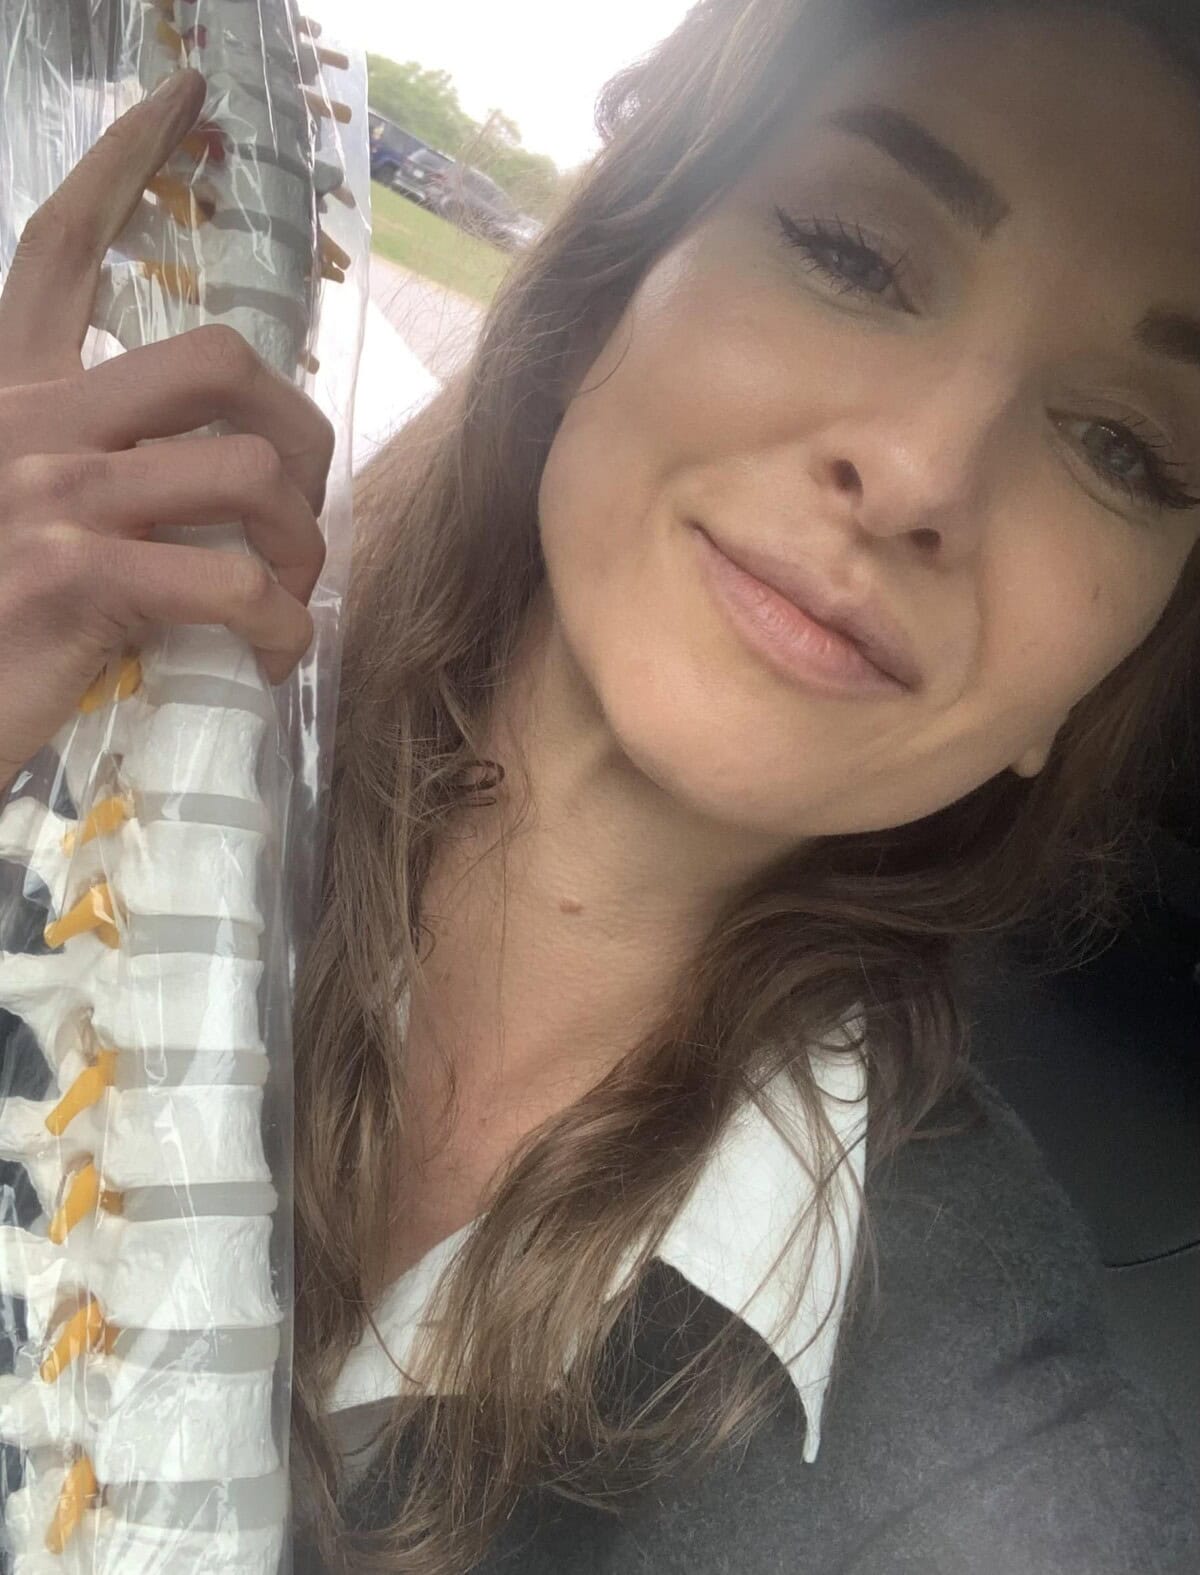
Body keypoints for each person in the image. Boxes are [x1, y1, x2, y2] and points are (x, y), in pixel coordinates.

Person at [1, 0, 1199, 1569]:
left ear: (1091, 686)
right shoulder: (86, 664)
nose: (921, 474)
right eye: (853, 251)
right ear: (613, 279)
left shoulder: (988, 1455)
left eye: (1124, 446)